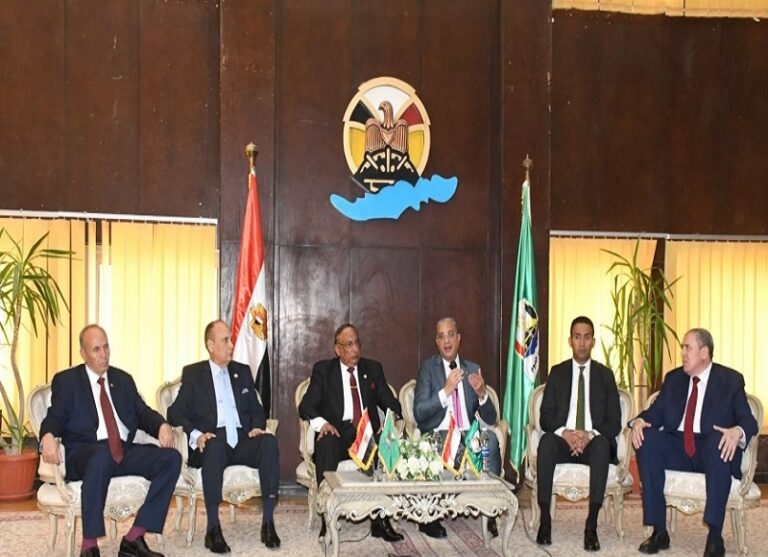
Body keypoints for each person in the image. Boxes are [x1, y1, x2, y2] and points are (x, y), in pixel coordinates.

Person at [39, 324, 181, 557]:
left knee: (171, 459)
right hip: (85, 453)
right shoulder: (67, 381)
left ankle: (134, 538)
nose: (103, 354)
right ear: (83, 353)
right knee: (101, 456)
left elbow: (142, 412)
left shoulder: (122, 379)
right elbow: (54, 416)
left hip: (122, 450)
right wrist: (47, 436)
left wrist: (161, 425)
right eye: (96, 350)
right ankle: (89, 545)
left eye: (106, 347)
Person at [632, 328, 758, 557]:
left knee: (718, 440)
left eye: (687, 348)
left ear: (704, 352)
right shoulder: (674, 379)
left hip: (711, 448)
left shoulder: (729, 380)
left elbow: (747, 420)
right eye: (682, 348)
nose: (682, 353)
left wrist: (736, 432)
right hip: (678, 446)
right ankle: (659, 531)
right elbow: (655, 413)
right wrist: (639, 421)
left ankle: (715, 537)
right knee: (648, 440)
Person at [167, 320, 280, 552]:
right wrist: (197, 434)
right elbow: (175, 412)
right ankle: (213, 529)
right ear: (211, 345)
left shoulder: (242, 371)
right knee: (215, 445)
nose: (231, 345)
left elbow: (257, 410)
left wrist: (257, 426)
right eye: (225, 340)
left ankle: (268, 523)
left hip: (242, 438)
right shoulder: (194, 374)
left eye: (231, 339)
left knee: (269, 442)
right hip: (212, 441)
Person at [298, 323, 404, 542]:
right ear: (337, 349)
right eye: (348, 345)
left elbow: (392, 403)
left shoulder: (372, 369)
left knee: (385, 442)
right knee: (326, 442)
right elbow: (306, 406)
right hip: (338, 433)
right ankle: (327, 516)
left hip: (367, 435)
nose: (355, 349)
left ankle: (380, 518)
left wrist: (389, 422)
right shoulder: (324, 370)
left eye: (357, 343)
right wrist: (322, 424)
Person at [536, 316, 621, 551]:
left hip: (592, 443)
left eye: (586, 337)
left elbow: (614, 422)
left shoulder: (605, 375)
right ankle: (545, 520)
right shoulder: (558, 372)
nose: (582, 343)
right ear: (570, 341)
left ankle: (591, 525)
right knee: (546, 442)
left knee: (603, 444)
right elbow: (545, 417)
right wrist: (565, 433)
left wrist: (589, 435)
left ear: (593, 341)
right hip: (564, 442)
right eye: (577, 337)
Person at [413, 317, 500, 539]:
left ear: (458, 338)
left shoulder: (472, 369)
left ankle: (490, 510)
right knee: (436, 446)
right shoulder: (427, 369)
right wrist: (445, 391)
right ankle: (430, 517)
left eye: (451, 334)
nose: (447, 341)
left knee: (490, 439)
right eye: (441, 336)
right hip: (440, 434)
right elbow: (419, 412)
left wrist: (482, 394)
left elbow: (491, 418)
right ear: (437, 342)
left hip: (468, 435)